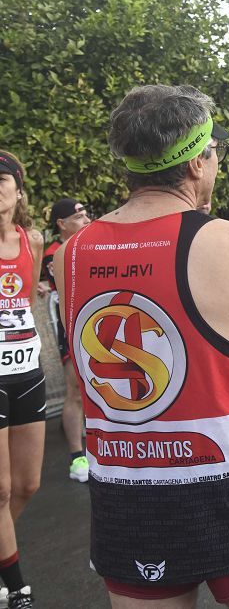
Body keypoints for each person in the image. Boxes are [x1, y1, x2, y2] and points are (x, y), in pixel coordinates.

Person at [52, 85, 229, 607]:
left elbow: (91, 372)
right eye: (213, 150)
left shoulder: (72, 254)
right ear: (198, 162)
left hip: (126, 493)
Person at [0, 152, 44, 608]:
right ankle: (17, 588)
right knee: (0, 489)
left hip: (27, 370)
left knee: (28, 484)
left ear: (17, 190)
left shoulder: (30, 240)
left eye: (1, 180)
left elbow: (26, 304)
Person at [39, 198, 91, 483]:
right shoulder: (54, 253)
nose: (85, 220)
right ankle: (76, 458)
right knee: (74, 391)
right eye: (79, 215)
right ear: (61, 223)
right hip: (69, 326)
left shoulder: (90, 242)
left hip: (93, 323)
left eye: (86, 214)